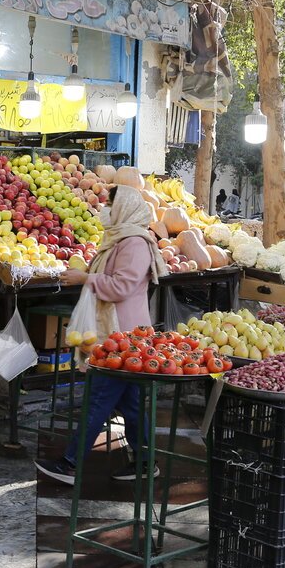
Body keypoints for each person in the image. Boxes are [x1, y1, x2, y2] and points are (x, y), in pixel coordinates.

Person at [36, 186, 169, 485]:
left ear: (125, 208)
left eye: (110, 203)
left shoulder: (134, 242)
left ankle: (70, 463)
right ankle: (146, 463)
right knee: (131, 402)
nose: (104, 207)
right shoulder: (120, 238)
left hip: (122, 337)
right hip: (123, 336)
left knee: (99, 398)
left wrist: (86, 278)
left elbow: (122, 287)